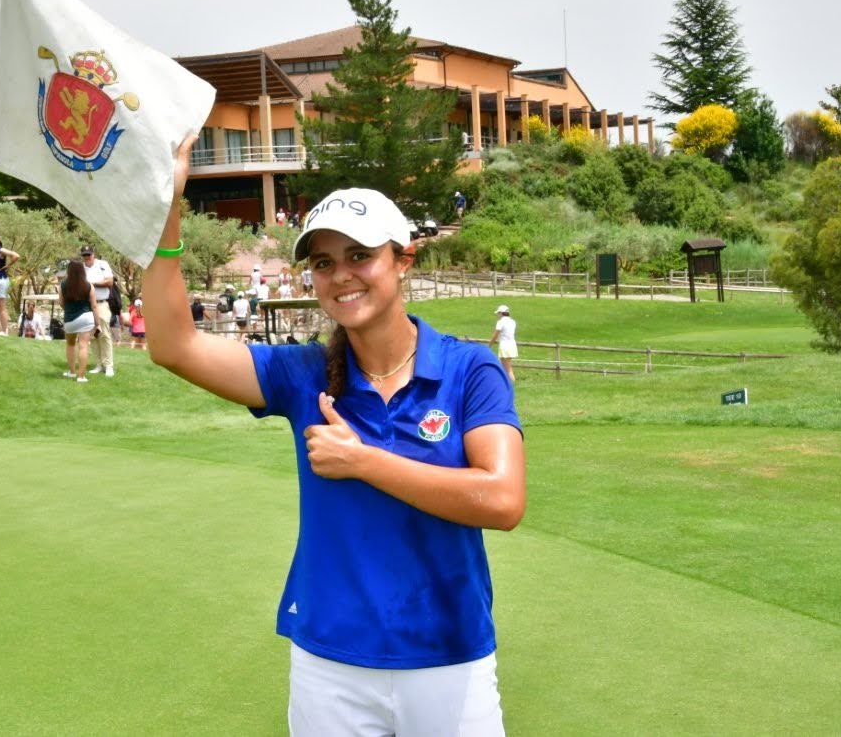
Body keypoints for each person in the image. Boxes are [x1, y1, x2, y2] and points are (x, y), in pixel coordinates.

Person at [144, 137, 525, 736]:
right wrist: (168, 211)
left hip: (449, 653)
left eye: (360, 255)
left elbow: (502, 500)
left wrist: (363, 461)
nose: (340, 275)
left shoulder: (468, 369)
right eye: (323, 263)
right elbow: (173, 345)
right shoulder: (302, 372)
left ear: (404, 260)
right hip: (330, 661)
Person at [58, 259, 99, 382]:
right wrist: (97, 323)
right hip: (86, 318)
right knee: (83, 346)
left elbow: (61, 303)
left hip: (70, 319)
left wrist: (69, 310)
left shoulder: (63, 285)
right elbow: (94, 306)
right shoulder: (88, 285)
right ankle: (81, 376)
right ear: (82, 271)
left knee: (70, 344)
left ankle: (72, 372)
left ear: (69, 270)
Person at [80, 245, 115, 376]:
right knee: (93, 336)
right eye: (84, 255)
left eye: (89, 254)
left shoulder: (102, 264)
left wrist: (92, 284)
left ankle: (108, 365)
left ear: (93, 254)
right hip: (87, 305)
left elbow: (109, 282)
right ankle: (99, 364)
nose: (87, 257)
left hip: (101, 304)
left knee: (104, 334)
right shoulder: (81, 268)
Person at [0, 231, 21, 336]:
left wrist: (7, 265)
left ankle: (4, 331)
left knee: (1, 307)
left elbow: (15, 255)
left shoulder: (0, 250)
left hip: (0, 280)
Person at [489, 304, 518, 383]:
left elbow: (495, 335)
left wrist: (490, 345)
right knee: (505, 366)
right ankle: (505, 383)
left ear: (501, 313)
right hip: (512, 345)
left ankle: (511, 383)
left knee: (508, 369)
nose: (497, 315)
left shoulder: (500, 322)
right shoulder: (512, 322)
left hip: (505, 346)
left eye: (498, 313)